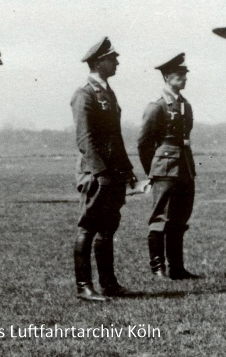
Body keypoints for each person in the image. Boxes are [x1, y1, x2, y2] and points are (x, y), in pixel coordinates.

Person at [71, 37, 137, 301]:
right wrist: (100, 174)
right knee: (88, 226)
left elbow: (115, 137)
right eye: (113, 58)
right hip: (96, 173)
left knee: (108, 228)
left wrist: (127, 169)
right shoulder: (84, 94)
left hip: (113, 173)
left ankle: (109, 284)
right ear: (99, 62)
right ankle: (84, 287)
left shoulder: (107, 93)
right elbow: (85, 139)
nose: (117, 61)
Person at [138, 53, 200, 280]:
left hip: (184, 166)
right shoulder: (157, 106)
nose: (184, 79)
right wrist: (152, 171)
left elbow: (186, 133)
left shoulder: (185, 105)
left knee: (180, 217)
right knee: (160, 219)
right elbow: (144, 143)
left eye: (184, 75)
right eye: (179, 75)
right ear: (166, 77)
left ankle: (177, 267)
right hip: (165, 168)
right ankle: (158, 268)